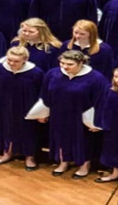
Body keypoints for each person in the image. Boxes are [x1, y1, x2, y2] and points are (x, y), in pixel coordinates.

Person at [32, 50, 107, 178]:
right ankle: (63, 162)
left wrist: (97, 121)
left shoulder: (96, 78)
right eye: (62, 63)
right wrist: (42, 113)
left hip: (82, 115)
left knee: (83, 140)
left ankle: (84, 165)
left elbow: (101, 100)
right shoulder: (53, 74)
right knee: (60, 139)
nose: (65, 67)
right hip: (58, 113)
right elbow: (44, 94)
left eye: (70, 64)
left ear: (81, 63)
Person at [0, 46, 44, 171]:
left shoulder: (36, 72)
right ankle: (7, 153)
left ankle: (30, 157)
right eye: (9, 60)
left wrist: (41, 112)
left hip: (27, 106)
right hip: (4, 104)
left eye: (16, 61)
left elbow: (41, 93)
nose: (12, 64)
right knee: (5, 129)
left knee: (28, 131)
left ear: (25, 59)